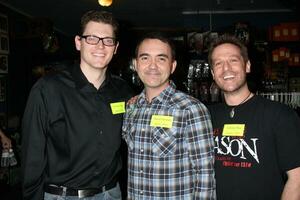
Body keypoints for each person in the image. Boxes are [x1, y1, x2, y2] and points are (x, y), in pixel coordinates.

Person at [22, 10, 133, 200]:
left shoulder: (124, 91)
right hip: (62, 196)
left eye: (107, 40)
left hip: (111, 194)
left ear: (115, 48)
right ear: (78, 42)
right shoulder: (48, 89)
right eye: (92, 38)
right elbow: (32, 154)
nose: (100, 46)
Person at [122, 32, 216, 199]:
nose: (153, 66)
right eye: (145, 58)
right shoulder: (131, 108)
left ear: (172, 66)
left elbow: (205, 174)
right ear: (135, 64)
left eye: (161, 59)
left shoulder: (191, 109)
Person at [208, 34, 300, 200]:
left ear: (247, 66)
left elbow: (297, 179)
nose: (226, 68)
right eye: (218, 63)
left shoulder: (279, 115)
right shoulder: (207, 116)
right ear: (213, 73)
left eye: (233, 60)